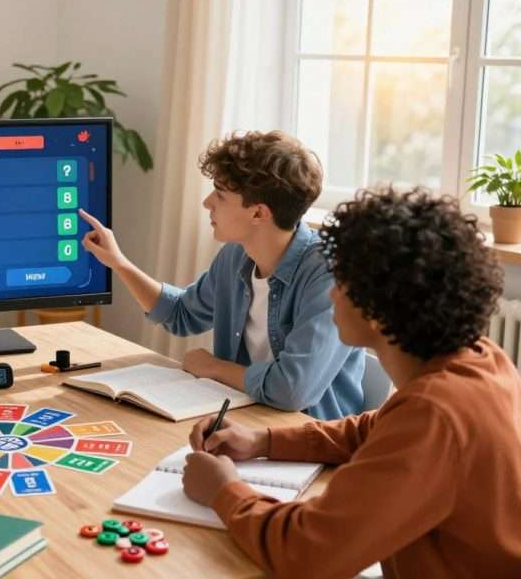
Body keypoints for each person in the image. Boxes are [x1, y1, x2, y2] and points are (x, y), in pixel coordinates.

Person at [182, 187, 521, 578]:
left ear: (378, 305)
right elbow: (379, 428)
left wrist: (224, 492)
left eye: (343, 280)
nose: (332, 292)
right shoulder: (479, 357)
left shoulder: (435, 413)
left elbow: (306, 552)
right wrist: (264, 440)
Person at [80, 130, 363, 420]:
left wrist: (214, 367)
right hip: (242, 423)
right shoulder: (237, 255)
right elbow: (181, 314)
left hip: (309, 437)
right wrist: (119, 263)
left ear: (258, 214)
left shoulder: (330, 274)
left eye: (220, 194)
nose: (207, 203)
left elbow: (292, 390)